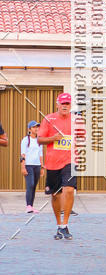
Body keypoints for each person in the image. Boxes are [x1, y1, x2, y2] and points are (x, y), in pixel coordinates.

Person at [38, 93, 82, 240]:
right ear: (57, 104)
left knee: (69, 190)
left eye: (68, 104)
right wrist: (53, 138)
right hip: (52, 163)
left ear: (71, 105)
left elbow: (83, 138)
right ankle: (59, 226)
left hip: (70, 161)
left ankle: (65, 224)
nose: (65, 106)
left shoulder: (76, 120)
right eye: (63, 103)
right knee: (55, 195)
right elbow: (39, 139)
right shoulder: (49, 119)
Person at [20, 120, 45, 213]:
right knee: (30, 185)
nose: (37, 128)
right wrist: (23, 167)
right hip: (28, 166)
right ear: (29, 129)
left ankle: (31, 206)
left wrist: (42, 167)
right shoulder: (26, 140)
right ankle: (28, 206)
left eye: (38, 127)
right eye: (34, 127)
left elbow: (40, 154)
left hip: (37, 166)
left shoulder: (39, 140)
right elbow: (22, 154)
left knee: (34, 186)